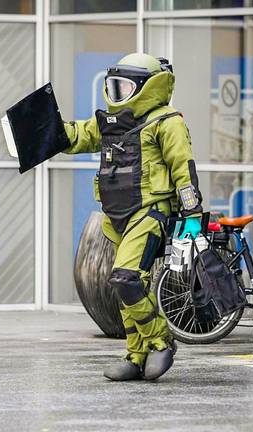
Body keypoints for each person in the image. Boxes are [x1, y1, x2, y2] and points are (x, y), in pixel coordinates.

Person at [62, 53, 204, 381]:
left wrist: (192, 213)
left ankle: (161, 341)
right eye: (113, 86)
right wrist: (44, 132)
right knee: (129, 284)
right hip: (117, 216)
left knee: (125, 278)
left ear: (147, 87)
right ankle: (136, 355)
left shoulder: (167, 122)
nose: (116, 93)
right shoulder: (113, 124)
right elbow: (78, 135)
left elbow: (184, 169)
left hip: (150, 212)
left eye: (124, 86)